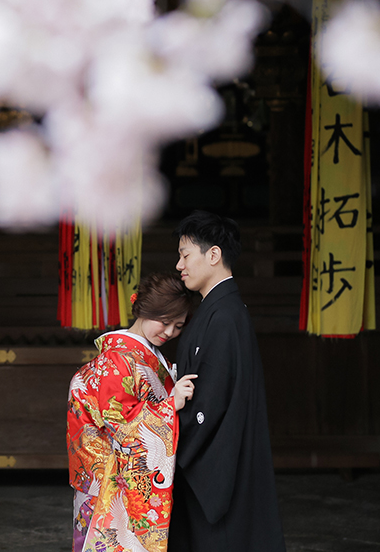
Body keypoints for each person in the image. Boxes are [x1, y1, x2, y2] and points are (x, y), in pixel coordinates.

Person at [168, 210, 286, 552]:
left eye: (185, 255)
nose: (179, 265)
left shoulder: (225, 316)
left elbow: (211, 403)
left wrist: (170, 447)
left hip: (215, 456)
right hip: (214, 449)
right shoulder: (218, 309)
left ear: (213, 255)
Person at [67, 272, 197, 552]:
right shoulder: (116, 360)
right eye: (164, 322)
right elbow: (121, 427)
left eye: (178, 326)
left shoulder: (139, 355)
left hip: (114, 477)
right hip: (109, 483)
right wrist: (170, 405)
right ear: (143, 310)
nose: (170, 332)